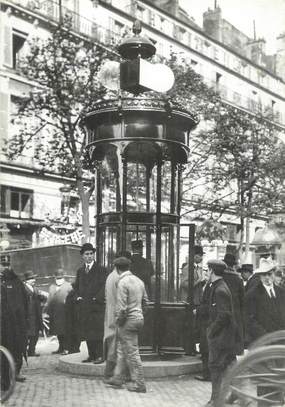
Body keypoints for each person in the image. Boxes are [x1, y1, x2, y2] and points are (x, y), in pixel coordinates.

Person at [104, 256, 148, 393]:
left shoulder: (122, 282)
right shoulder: (139, 281)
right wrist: (139, 314)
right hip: (138, 318)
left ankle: (139, 383)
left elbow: (121, 307)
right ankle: (118, 377)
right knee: (122, 348)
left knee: (132, 352)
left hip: (127, 320)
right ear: (129, 267)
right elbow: (146, 302)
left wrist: (119, 322)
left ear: (117, 269)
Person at [206, 259, 239, 407]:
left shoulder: (219, 290)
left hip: (221, 337)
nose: (206, 273)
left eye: (207, 270)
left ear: (212, 271)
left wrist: (211, 331)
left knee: (215, 366)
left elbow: (224, 315)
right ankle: (235, 394)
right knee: (229, 365)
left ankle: (215, 400)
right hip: (226, 335)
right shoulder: (219, 286)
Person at [73, 243, 107, 364]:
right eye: (86, 254)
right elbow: (76, 287)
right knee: (87, 331)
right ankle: (91, 355)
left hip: (96, 306)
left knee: (97, 331)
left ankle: (99, 355)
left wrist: (96, 298)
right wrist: (77, 297)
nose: (89, 256)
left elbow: (104, 287)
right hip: (84, 307)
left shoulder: (101, 270)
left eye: (91, 254)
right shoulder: (80, 271)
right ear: (82, 256)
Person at [103, 251, 131, 381]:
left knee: (113, 343)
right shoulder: (119, 278)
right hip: (117, 314)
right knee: (117, 346)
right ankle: (111, 373)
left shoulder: (110, 276)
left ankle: (112, 373)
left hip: (110, 313)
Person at [1, 255, 28, 385]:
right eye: (2, 265)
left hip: (14, 325)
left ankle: (14, 373)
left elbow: (25, 302)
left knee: (15, 349)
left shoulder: (16, 281)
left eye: (7, 265)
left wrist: (23, 320)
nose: (5, 268)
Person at [245, 258, 285, 346]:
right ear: (259, 276)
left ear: (274, 274)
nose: (267, 277)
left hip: (281, 341)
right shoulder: (252, 295)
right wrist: (266, 337)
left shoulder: (281, 292)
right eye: (264, 275)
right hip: (263, 342)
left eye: (269, 274)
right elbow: (250, 320)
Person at [180, 245, 204, 355]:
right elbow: (184, 284)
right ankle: (188, 349)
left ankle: (192, 348)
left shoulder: (196, 268)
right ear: (194, 256)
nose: (201, 258)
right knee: (190, 326)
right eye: (199, 256)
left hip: (196, 300)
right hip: (190, 301)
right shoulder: (187, 268)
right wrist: (198, 281)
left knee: (195, 326)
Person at [45, 269, 72, 355]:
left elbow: (72, 299)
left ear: (63, 277)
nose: (59, 279)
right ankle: (61, 347)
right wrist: (47, 311)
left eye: (60, 277)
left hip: (65, 313)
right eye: (57, 278)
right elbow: (49, 300)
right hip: (55, 313)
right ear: (55, 278)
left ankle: (66, 348)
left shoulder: (69, 286)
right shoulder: (52, 287)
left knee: (65, 331)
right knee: (58, 331)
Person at [222, 253, 245, 356]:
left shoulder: (220, 276)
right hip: (235, 309)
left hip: (222, 308)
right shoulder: (238, 278)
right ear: (233, 265)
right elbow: (242, 298)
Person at [23, 270, 46, 357]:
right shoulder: (23, 289)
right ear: (26, 280)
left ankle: (31, 351)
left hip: (36, 316)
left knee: (35, 334)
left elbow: (41, 299)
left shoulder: (35, 289)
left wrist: (42, 298)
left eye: (34, 278)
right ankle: (23, 351)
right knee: (26, 335)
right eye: (31, 278)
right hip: (27, 316)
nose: (34, 280)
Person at [194, 267, 211, 382]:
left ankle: (207, 374)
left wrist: (198, 310)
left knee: (205, 349)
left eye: (207, 271)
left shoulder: (211, 287)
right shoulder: (209, 285)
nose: (206, 274)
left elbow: (208, 306)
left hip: (207, 323)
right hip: (205, 322)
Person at [65, 283, 81, 354]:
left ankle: (72, 348)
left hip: (71, 317)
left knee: (72, 333)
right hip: (75, 317)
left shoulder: (71, 294)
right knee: (76, 333)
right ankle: (75, 348)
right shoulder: (75, 294)